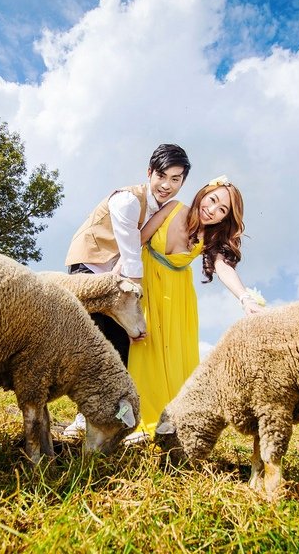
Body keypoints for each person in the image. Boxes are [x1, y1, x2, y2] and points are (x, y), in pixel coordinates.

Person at [62, 143, 192, 437]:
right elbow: (132, 257)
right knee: (97, 341)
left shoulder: (162, 209)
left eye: (176, 179)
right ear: (149, 172)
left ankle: (108, 417)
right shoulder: (128, 201)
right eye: (162, 176)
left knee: (120, 347)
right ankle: (82, 419)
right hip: (91, 268)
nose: (167, 185)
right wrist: (139, 311)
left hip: (118, 279)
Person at [126, 175, 266, 441]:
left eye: (222, 210)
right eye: (213, 200)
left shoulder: (209, 237)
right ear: (204, 193)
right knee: (142, 349)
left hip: (177, 299)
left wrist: (245, 299)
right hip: (146, 285)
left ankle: (170, 425)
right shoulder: (174, 207)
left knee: (174, 358)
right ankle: (138, 420)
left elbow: (223, 267)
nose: (212, 210)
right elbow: (138, 241)